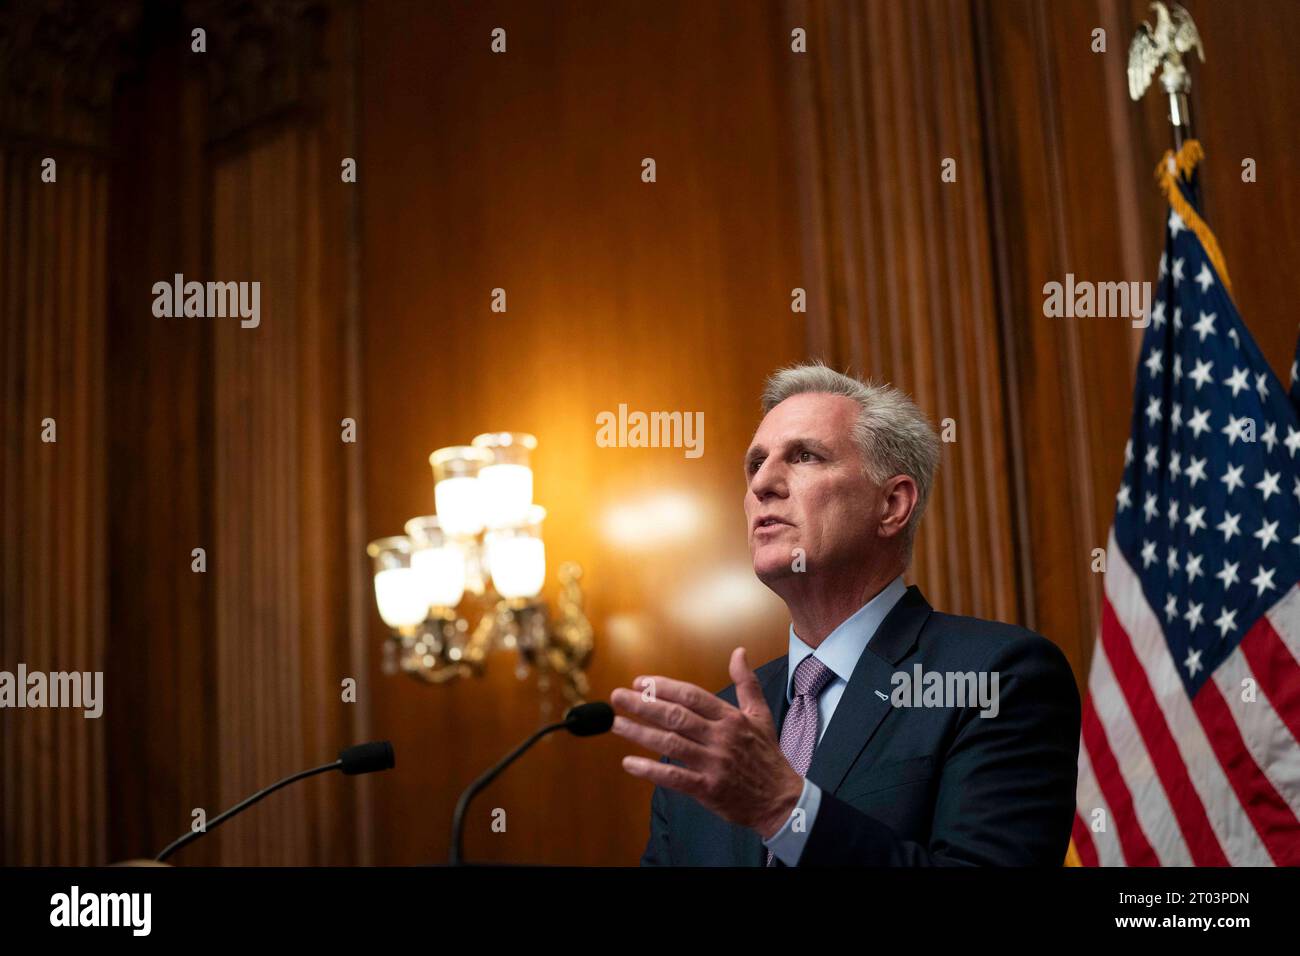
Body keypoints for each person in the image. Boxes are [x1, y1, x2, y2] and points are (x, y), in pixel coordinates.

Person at [610, 362, 1081, 865]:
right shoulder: (714, 738)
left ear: (893, 505)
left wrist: (781, 808)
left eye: (805, 456)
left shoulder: (994, 676)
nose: (762, 484)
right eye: (755, 464)